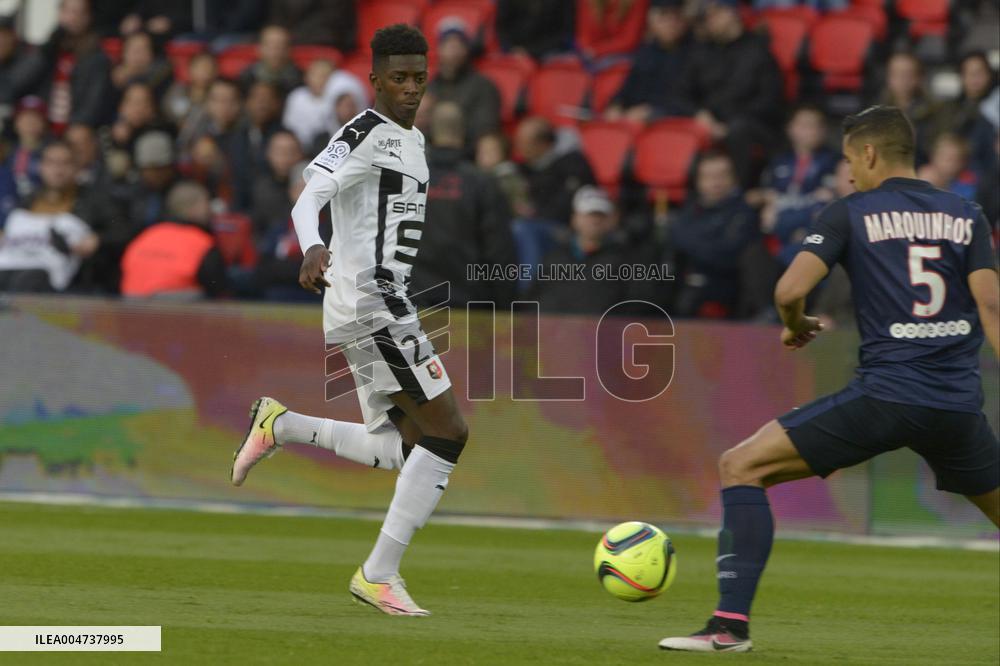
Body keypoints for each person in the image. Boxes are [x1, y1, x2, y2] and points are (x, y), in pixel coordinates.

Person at [659, 106, 999, 653]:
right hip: (956, 405)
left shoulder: (851, 211)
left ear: (867, 154)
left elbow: (789, 291)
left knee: (740, 466)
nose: (847, 173)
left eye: (848, 160)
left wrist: (797, 326)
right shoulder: (968, 214)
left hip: (886, 396)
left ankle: (729, 628)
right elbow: (991, 306)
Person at [230, 24, 469, 617]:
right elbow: (307, 197)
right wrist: (312, 245)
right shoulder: (363, 131)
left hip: (379, 300)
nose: (411, 88)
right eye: (399, 78)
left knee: (401, 448)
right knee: (449, 432)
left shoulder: (411, 140)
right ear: (375, 80)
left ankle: (280, 426)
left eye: (419, 76)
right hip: (370, 300)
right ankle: (378, 574)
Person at [410, 101, 518, 308]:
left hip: (414, 302)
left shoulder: (408, 180)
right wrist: (504, 306)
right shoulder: (482, 183)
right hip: (468, 305)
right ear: (464, 131)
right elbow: (499, 253)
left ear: (431, 130)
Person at [678, 0, 783, 187]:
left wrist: (727, 124)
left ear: (731, 14)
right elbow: (680, 92)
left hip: (752, 124)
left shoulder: (758, 51)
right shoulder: (702, 52)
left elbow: (769, 101)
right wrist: (699, 114)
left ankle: (738, 194)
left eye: (714, 14)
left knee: (738, 129)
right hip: (710, 121)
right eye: (707, 17)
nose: (709, 21)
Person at [534, 185, 663, 315]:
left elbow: (641, 304)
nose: (595, 220)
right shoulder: (553, 258)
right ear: (574, 218)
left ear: (614, 219)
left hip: (606, 333)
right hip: (554, 332)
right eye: (589, 214)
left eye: (601, 215)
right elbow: (533, 300)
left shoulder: (631, 260)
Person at [670, 150, 761, 318]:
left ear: (733, 179)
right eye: (709, 177)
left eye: (722, 175)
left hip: (726, 285)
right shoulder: (690, 211)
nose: (716, 182)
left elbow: (729, 255)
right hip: (685, 279)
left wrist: (693, 243)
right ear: (698, 181)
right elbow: (676, 237)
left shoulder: (744, 211)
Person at [0, 141, 99, 292]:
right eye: (51, 163)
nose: (58, 170)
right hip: (10, 266)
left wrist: (98, 239)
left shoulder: (92, 201)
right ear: (41, 166)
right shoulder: (27, 201)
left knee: (27, 281)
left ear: (76, 168)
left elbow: (121, 231)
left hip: (51, 281)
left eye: (64, 163)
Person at [120, 180, 227, 298]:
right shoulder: (201, 242)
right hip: (180, 310)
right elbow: (219, 289)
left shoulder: (146, 235)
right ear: (194, 207)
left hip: (132, 308)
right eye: (206, 203)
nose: (210, 210)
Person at [604, 0, 693, 124]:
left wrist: (652, 112)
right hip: (633, 121)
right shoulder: (646, 51)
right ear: (651, 20)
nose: (671, 23)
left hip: (669, 124)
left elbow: (688, 103)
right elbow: (627, 89)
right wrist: (615, 105)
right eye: (664, 16)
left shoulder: (695, 55)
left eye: (676, 16)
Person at [37, 0, 114, 130]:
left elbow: (93, 103)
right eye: (68, 11)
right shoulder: (48, 50)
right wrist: (47, 49)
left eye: (79, 13)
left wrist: (76, 125)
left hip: (75, 128)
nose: (72, 18)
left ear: (88, 17)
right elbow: (17, 83)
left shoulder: (97, 57)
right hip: (42, 129)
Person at [427, 18, 502, 148]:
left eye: (458, 44)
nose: (453, 50)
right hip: (430, 153)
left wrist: (451, 125)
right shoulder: (430, 86)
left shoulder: (483, 86)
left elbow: (486, 127)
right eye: (448, 44)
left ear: (466, 49)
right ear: (439, 49)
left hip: (466, 154)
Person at [495, 0, 575, 60]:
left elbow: (564, 32)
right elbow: (502, 27)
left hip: (550, 50)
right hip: (515, 50)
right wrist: (511, 48)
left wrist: (530, 51)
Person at [237, 24, 302, 95]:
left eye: (282, 46)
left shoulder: (300, 79)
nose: (275, 52)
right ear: (258, 48)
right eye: (270, 46)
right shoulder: (246, 77)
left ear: (290, 50)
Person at [917, 132, 979, 201]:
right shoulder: (924, 176)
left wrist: (941, 188)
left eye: (956, 160)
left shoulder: (967, 181)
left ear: (964, 162)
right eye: (946, 159)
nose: (950, 165)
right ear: (933, 157)